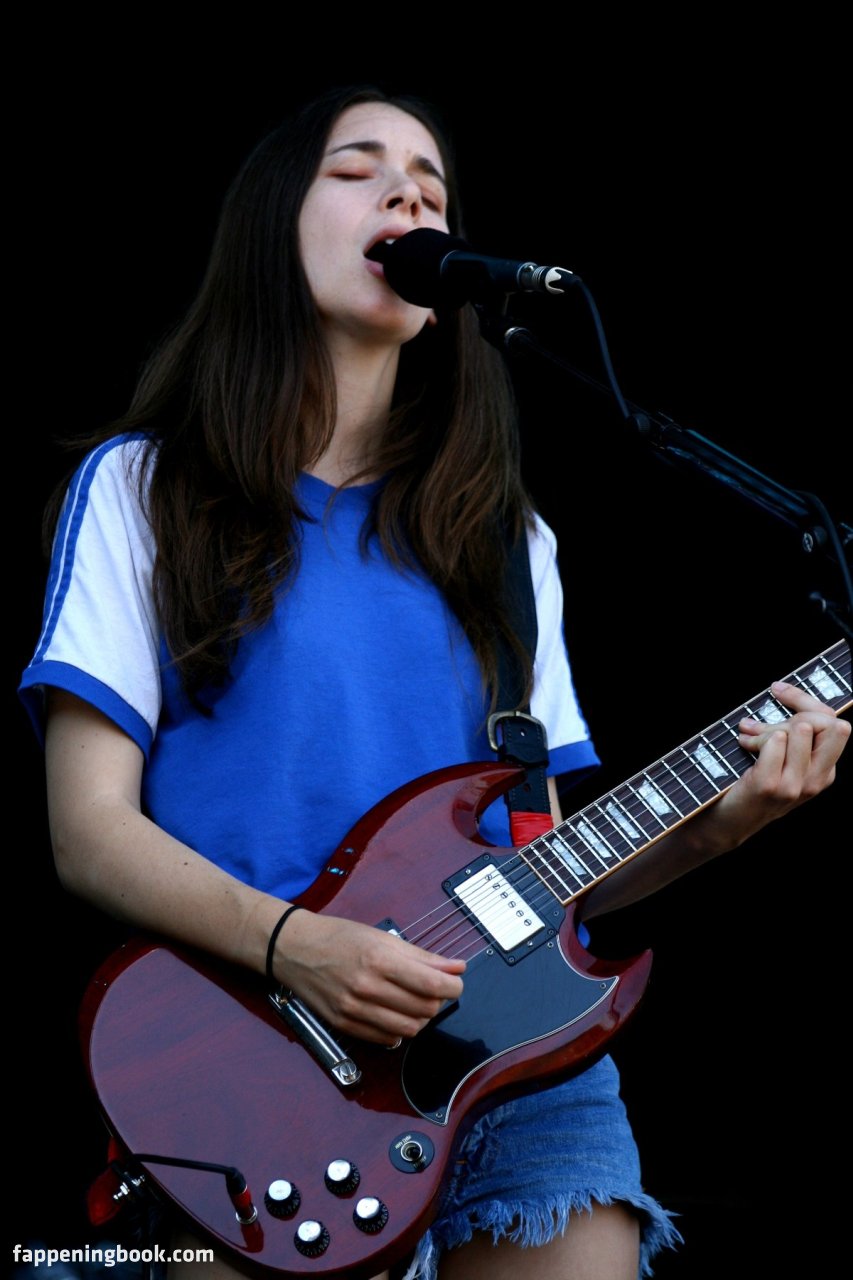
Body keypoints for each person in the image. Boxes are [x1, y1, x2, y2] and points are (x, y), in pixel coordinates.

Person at [19, 83, 850, 1280]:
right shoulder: (146, 487)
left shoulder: (504, 542)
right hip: (257, 1047)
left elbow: (549, 869)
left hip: (516, 1062)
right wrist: (298, 945)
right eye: (357, 169)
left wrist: (722, 826)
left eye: (430, 186)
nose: (408, 197)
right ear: (269, 223)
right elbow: (87, 830)